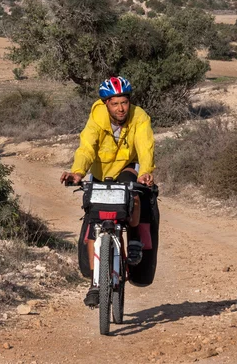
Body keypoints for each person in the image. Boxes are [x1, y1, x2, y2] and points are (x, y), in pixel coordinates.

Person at [60, 76, 156, 307]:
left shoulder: (139, 117)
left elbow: (145, 146)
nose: (121, 108)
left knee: (132, 193)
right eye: (115, 103)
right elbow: (86, 147)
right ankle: (95, 284)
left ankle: (133, 241)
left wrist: (145, 171)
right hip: (100, 174)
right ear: (106, 104)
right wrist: (78, 172)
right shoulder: (97, 118)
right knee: (95, 221)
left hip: (127, 168)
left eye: (124, 102)